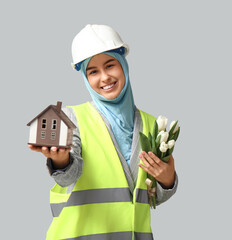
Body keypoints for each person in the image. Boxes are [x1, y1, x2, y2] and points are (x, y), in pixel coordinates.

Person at [28, 24, 178, 240]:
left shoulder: (152, 125)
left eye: (110, 65)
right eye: (93, 71)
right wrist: (61, 161)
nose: (105, 77)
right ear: (85, 78)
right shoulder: (73, 117)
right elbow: (68, 177)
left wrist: (167, 180)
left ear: (124, 65)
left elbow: (152, 197)